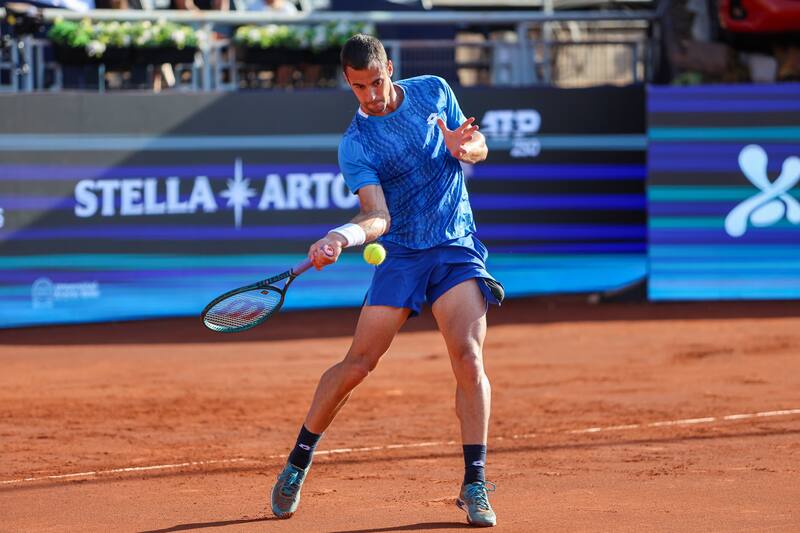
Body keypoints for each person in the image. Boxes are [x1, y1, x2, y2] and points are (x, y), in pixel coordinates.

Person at [270, 33, 504, 528]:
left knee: (469, 355)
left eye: (376, 82)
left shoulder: (434, 91)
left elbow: (475, 143)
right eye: (359, 87)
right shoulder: (356, 143)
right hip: (399, 254)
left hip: (453, 244)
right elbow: (377, 214)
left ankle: (475, 482)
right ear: (348, 83)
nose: (371, 95)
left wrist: (469, 148)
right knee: (357, 365)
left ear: (390, 68)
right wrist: (340, 235)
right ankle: (298, 460)